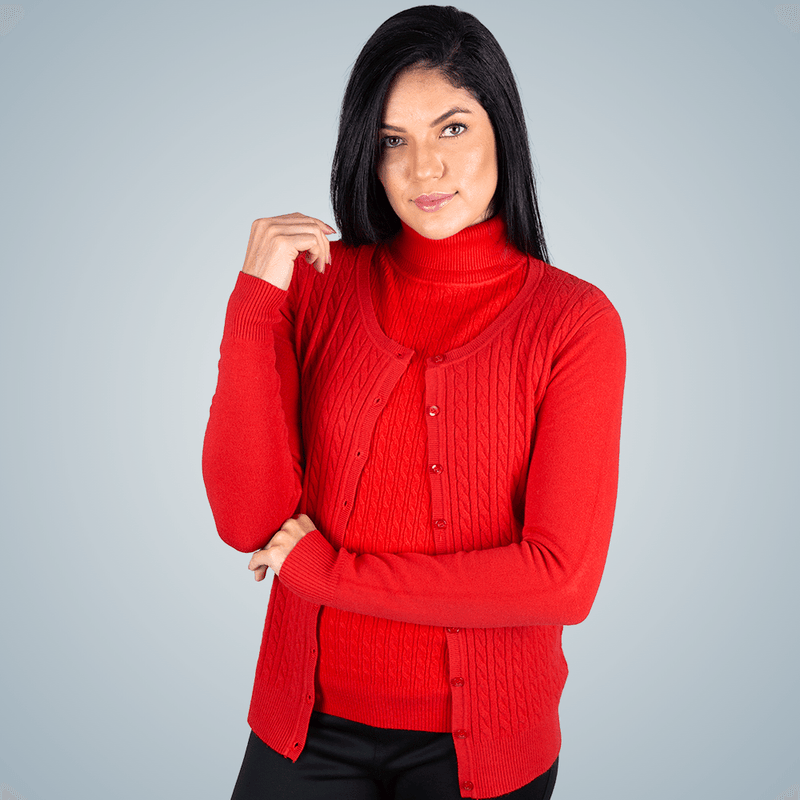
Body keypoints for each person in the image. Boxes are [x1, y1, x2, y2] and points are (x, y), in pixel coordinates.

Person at [202, 5, 626, 799]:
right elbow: (248, 521)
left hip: (482, 748)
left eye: (452, 129)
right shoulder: (321, 288)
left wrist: (334, 576)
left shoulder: (574, 322)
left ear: (503, 131)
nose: (424, 168)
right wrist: (253, 304)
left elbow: (561, 580)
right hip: (303, 728)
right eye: (393, 140)